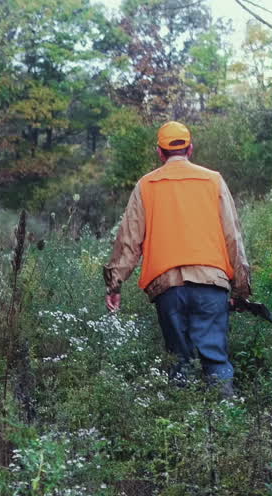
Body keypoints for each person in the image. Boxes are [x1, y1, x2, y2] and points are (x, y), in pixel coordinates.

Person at [103, 120, 252, 395]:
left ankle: (181, 418)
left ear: (160, 153)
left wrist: (114, 285)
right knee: (215, 360)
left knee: (179, 364)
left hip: (168, 287)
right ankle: (226, 415)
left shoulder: (146, 185)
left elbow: (128, 242)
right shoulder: (213, 181)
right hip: (211, 283)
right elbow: (233, 238)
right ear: (190, 149)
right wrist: (241, 289)